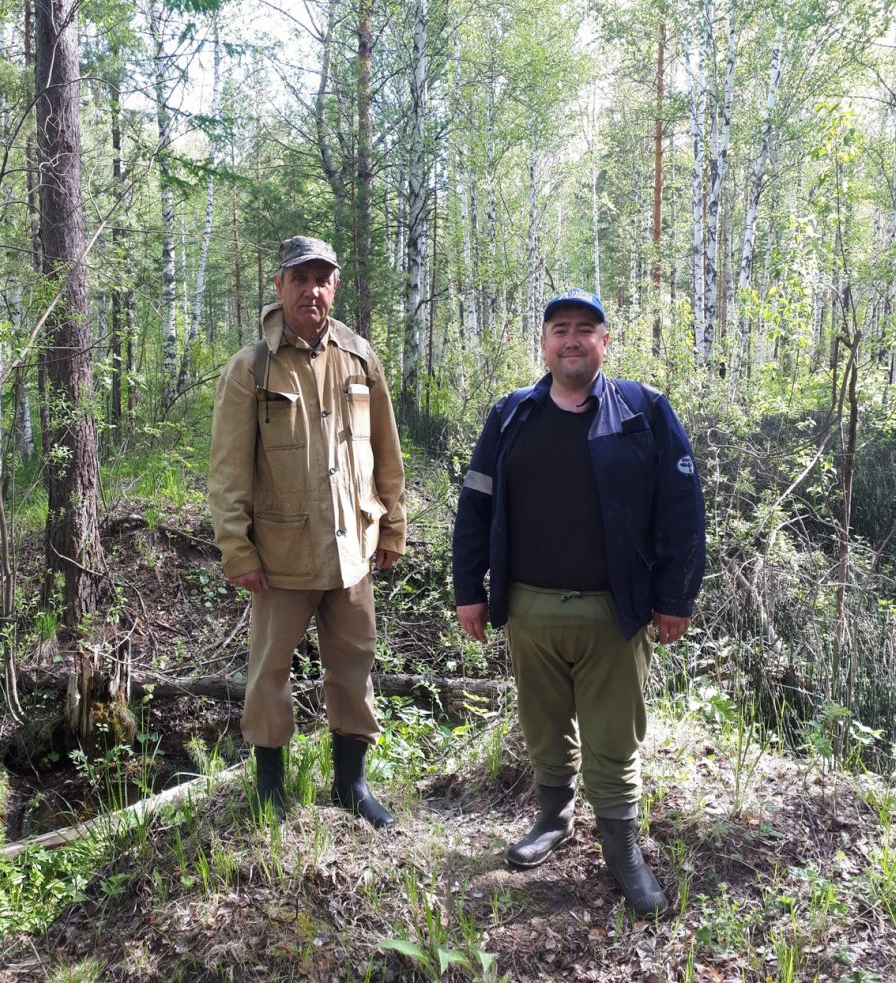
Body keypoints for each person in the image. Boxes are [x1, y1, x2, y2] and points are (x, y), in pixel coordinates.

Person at [452, 288, 705, 917]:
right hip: (529, 608)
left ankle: (621, 848)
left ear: (604, 342)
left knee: (614, 734)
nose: (571, 340)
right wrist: (468, 590)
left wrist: (675, 596)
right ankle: (553, 818)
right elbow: (475, 505)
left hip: (614, 612)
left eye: (585, 329)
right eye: (559, 328)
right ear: (543, 343)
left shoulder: (644, 412)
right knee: (542, 723)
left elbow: (682, 511)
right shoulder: (512, 415)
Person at [209, 235, 406, 828]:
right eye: (299, 278)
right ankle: (269, 784)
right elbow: (227, 470)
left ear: (334, 286)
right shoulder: (251, 367)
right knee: (269, 670)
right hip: (281, 552)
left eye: (322, 279)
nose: (311, 291)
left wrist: (392, 526)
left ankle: (351, 784)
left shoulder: (359, 357)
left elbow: (385, 450)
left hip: (352, 548)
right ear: (280, 286)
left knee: (353, 664)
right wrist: (236, 548)